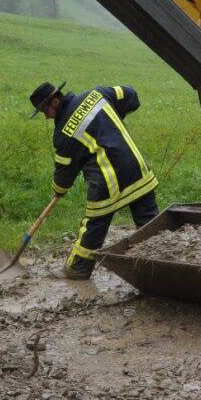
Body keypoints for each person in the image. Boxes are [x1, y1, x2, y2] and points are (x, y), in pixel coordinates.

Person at [29, 81, 160, 280]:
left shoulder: (63, 132)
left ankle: (78, 268)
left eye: (44, 110)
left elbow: (64, 172)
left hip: (107, 183)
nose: (46, 116)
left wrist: (59, 189)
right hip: (136, 168)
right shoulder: (98, 93)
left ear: (55, 101)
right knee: (150, 223)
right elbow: (131, 96)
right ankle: (163, 260)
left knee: (94, 227)